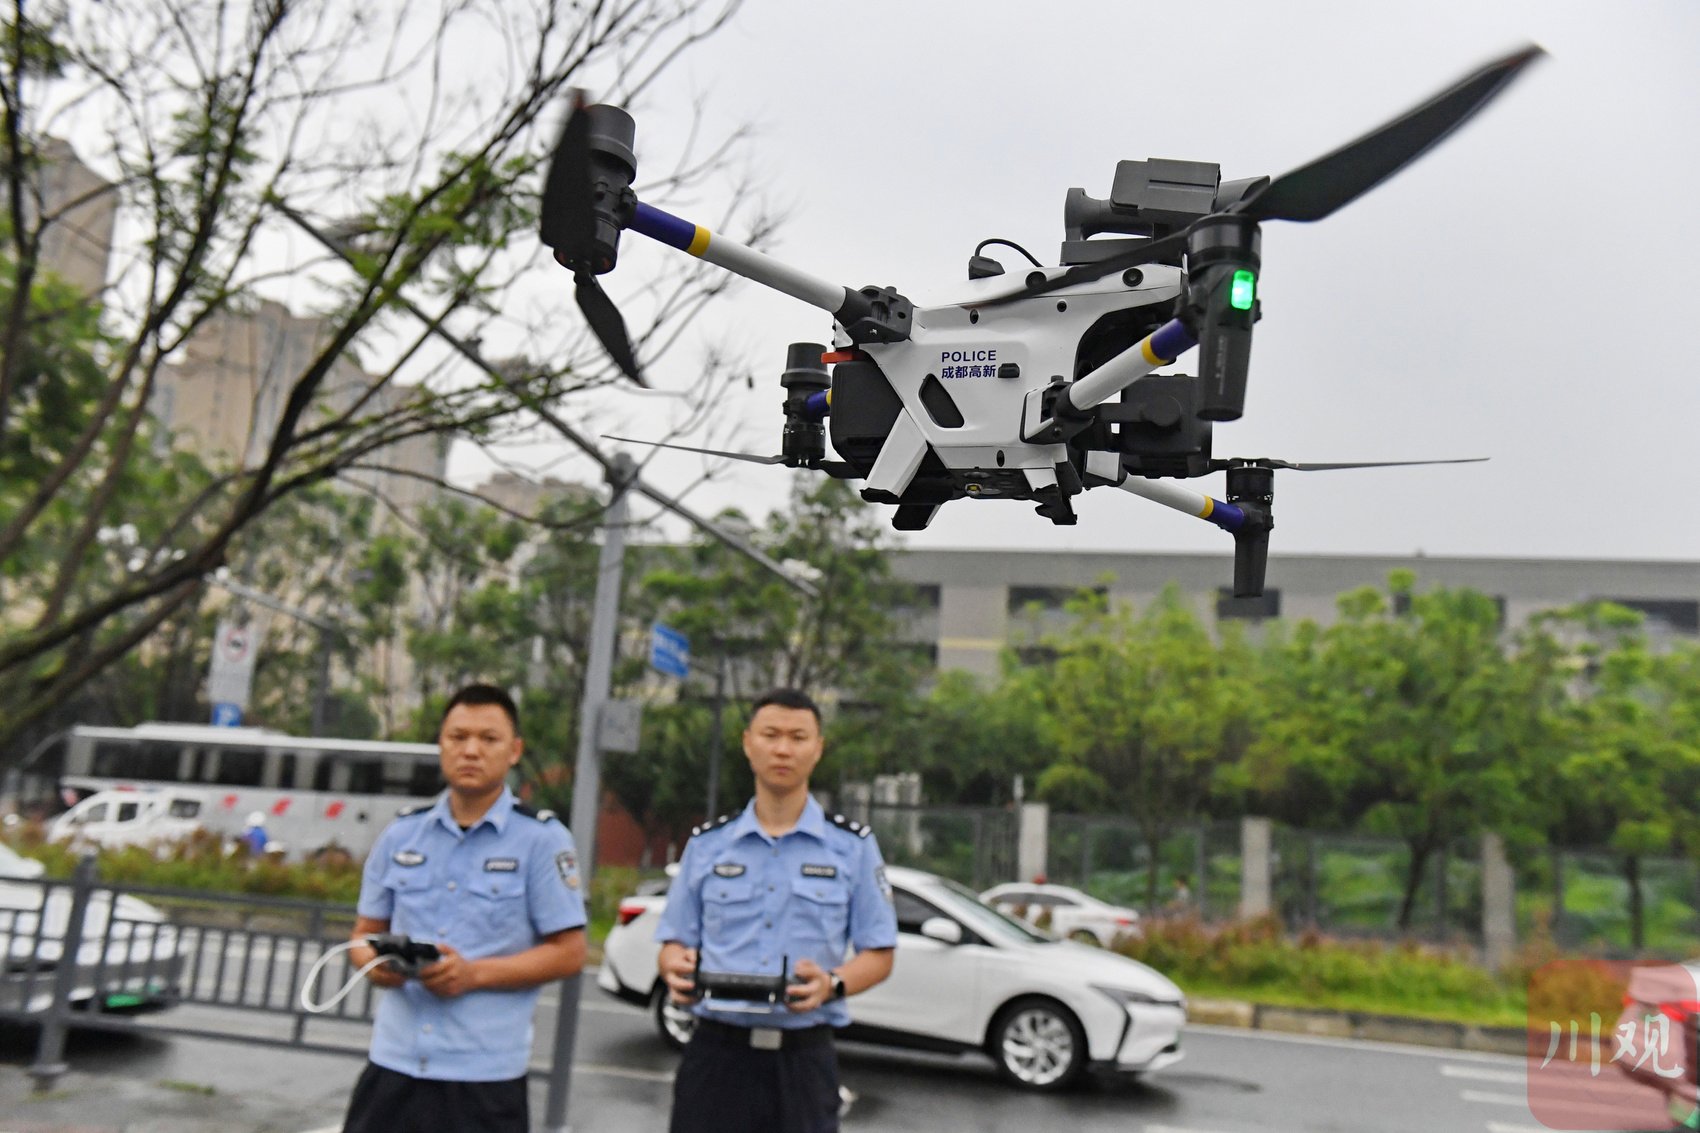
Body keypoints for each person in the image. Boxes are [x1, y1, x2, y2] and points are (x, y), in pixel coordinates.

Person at [338, 683, 586, 1133]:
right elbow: (362, 935)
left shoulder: (542, 841)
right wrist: (377, 967)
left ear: (514, 751)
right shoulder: (401, 835)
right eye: (458, 737)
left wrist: (474, 975)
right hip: (393, 1067)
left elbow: (570, 952)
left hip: (483, 1081)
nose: (471, 750)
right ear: (441, 745)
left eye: (488, 739)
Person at [656, 688, 898, 1133]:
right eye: (771, 734)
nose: (783, 748)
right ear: (748, 743)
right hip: (716, 1058)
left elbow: (880, 953)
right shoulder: (708, 845)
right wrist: (675, 966)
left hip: (803, 1062)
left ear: (818, 748)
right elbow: (675, 939)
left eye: (798, 737)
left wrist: (833, 984)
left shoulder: (852, 848)